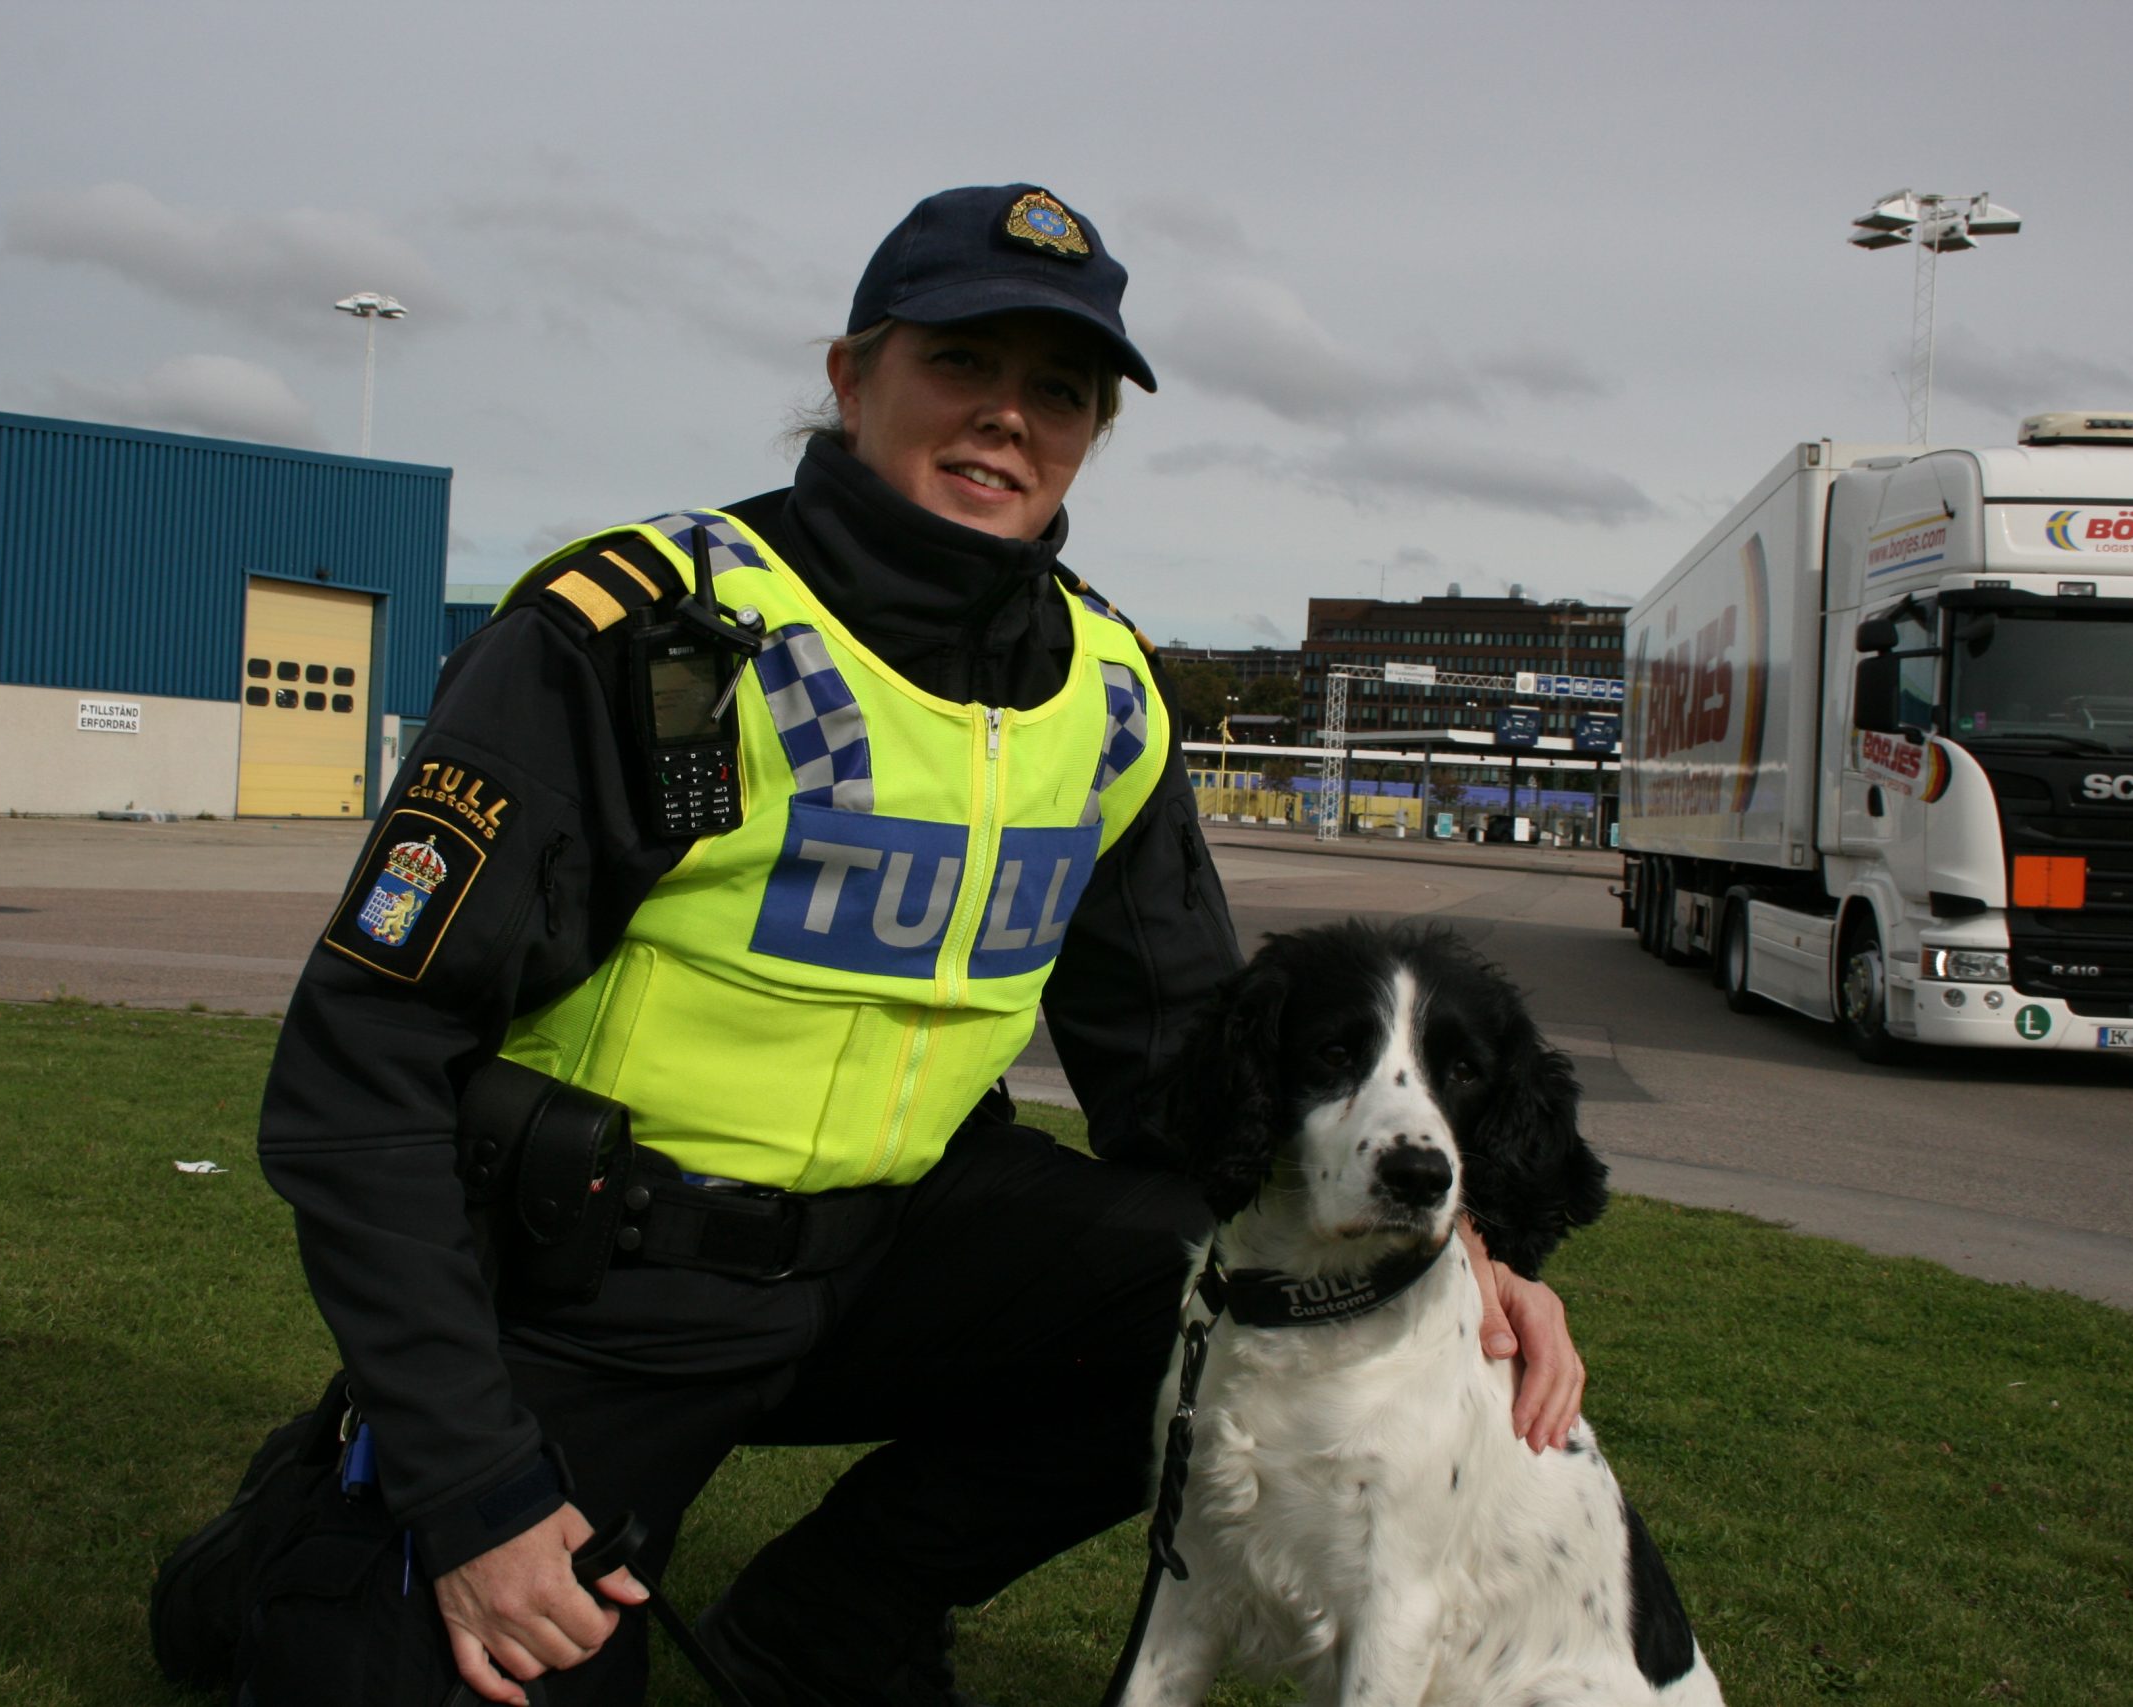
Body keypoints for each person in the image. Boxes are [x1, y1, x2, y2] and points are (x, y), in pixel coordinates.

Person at [252, 183, 1585, 1707]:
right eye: (961, 364)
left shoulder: (1111, 696)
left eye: (1061, 393)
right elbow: (361, 1066)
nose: (1007, 420)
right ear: (850, 375)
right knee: (411, 1662)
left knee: (1187, 1295)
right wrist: (471, 1482)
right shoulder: (632, 633)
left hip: (903, 1258)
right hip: (607, 1279)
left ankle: (834, 1612)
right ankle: (320, 1518)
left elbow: (1203, 1085)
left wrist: (1457, 1255)